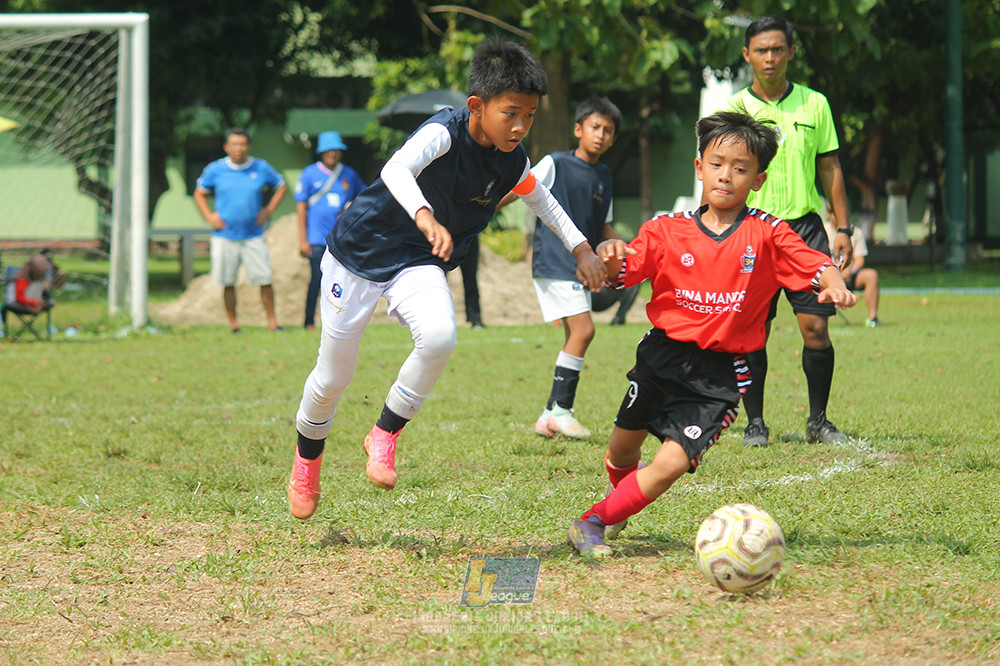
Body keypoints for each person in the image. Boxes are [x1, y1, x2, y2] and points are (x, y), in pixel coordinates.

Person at [286, 38, 606, 520]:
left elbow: (544, 202)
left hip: (419, 259)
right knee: (334, 377)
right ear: (477, 106)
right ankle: (306, 464)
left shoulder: (512, 159)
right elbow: (397, 167)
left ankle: (384, 433)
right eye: (511, 113)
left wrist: (582, 248)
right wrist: (424, 214)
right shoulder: (444, 132)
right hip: (359, 252)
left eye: (531, 115)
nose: (520, 126)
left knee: (439, 337)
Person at [566, 110, 857, 557]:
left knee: (670, 463)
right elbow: (625, 266)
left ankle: (594, 521)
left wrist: (833, 283)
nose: (727, 176)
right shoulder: (665, 229)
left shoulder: (767, 233)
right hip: (660, 358)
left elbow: (813, 263)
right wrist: (609, 255)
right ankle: (620, 502)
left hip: (719, 376)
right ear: (699, 167)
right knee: (623, 451)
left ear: (758, 179)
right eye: (717, 164)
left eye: (741, 169)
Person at [723, 16, 855, 447]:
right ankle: (755, 423)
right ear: (747, 55)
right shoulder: (735, 109)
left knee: (816, 329)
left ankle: (818, 421)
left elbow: (830, 167)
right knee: (751, 331)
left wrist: (844, 227)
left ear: (791, 53)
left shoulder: (815, 104)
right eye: (761, 50)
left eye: (778, 49)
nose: (770, 58)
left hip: (805, 230)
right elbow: (720, 172)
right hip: (752, 229)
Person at [499, 97, 624, 439]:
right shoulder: (556, 163)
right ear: (578, 130)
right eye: (595, 127)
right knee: (585, 332)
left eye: (608, 131)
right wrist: (485, 208)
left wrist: (625, 247)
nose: (600, 135)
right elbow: (519, 188)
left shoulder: (604, 175)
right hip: (555, 260)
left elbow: (604, 227)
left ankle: (548, 415)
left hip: (583, 266)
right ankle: (561, 410)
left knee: (575, 334)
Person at [194, 127, 288, 333]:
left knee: (264, 279)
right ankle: (234, 324)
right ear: (227, 147)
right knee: (228, 282)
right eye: (234, 144)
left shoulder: (260, 167)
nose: (239, 148)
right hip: (225, 236)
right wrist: (210, 217)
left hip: (254, 235)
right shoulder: (215, 169)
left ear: (249, 146)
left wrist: (268, 210)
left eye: (243, 144)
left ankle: (273, 323)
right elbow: (199, 193)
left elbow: (282, 186)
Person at [295, 130, 367, 330]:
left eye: (336, 150)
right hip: (317, 238)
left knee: (342, 281)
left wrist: (350, 209)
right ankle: (309, 320)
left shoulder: (349, 174)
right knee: (317, 279)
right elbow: (301, 207)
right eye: (328, 150)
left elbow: (364, 196)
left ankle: (338, 320)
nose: (332, 154)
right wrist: (303, 239)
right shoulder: (309, 173)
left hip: (342, 238)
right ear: (321, 152)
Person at [823, 202, 880, 327]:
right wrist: (834, 276)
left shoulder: (856, 232)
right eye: (833, 212)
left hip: (850, 276)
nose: (836, 216)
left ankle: (873, 318)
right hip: (827, 277)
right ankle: (818, 319)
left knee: (871, 275)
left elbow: (860, 259)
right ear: (828, 214)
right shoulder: (822, 232)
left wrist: (851, 271)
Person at [459, 236, 484, 328]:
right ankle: (439, 318)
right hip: (445, 235)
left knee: (471, 279)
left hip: (468, 238)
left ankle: (475, 318)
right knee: (440, 280)